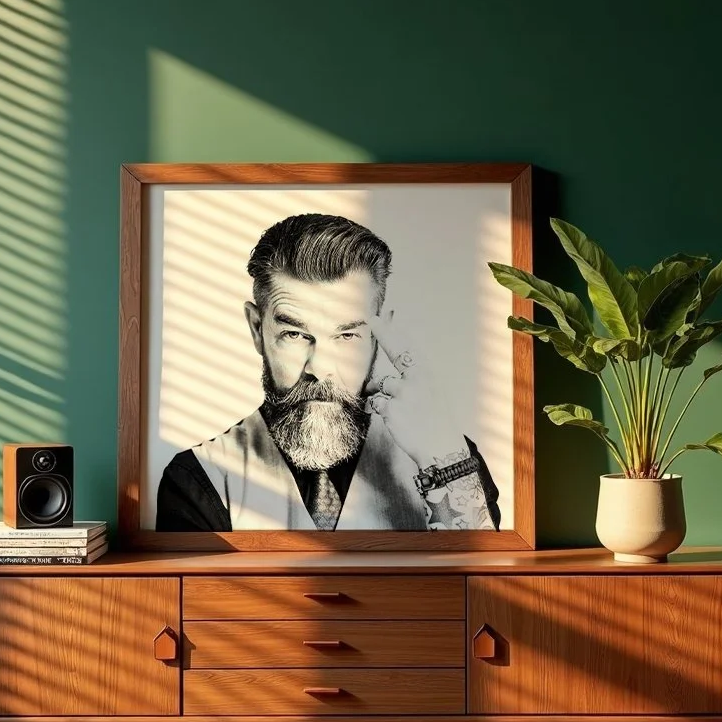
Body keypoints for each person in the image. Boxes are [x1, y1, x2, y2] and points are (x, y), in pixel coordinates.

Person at [155, 213, 501, 531]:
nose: (320, 369)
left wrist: (444, 464)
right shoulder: (200, 477)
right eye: (294, 334)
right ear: (257, 329)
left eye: (347, 335)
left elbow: (485, 593)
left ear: (380, 334)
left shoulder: (449, 456)